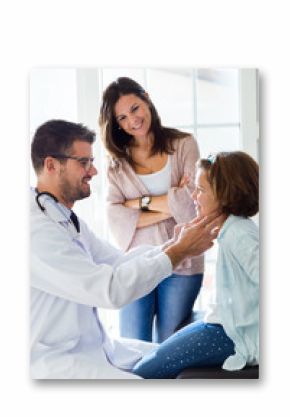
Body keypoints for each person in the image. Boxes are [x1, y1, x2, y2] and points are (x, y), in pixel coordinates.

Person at [30, 119, 220, 379]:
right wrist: (178, 252)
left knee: (167, 356)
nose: (93, 171)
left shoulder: (62, 217)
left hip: (95, 349)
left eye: (91, 161)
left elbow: (118, 263)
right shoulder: (35, 231)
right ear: (51, 165)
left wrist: (174, 245)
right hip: (58, 362)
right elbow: (109, 289)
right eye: (83, 162)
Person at [132, 151, 259, 378]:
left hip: (229, 334)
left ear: (225, 195)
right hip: (220, 325)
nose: (193, 197)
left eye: (200, 190)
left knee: (144, 372)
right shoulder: (232, 230)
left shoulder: (239, 235)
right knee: (149, 360)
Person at [99, 77, 203, 343]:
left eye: (135, 108)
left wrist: (138, 204)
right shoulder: (117, 164)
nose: (132, 121)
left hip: (183, 261)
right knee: (133, 345)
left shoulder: (184, 145)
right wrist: (172, 204)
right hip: (137, 262)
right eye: (122, 118)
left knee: (170, 346)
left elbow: (194, 205)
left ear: (146, 97)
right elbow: (115, 215)